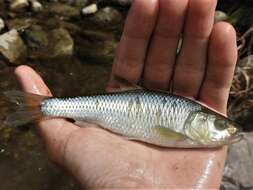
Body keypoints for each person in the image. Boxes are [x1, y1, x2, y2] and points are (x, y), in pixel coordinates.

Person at [15, 0, 237, 188]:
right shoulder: (186, 133)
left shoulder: (190, 133)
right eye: (219, 125)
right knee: (48, 106)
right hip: (118, 111)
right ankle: (44, 107)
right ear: (200, 119)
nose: (225, 131)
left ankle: (42, 108)